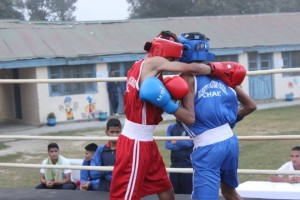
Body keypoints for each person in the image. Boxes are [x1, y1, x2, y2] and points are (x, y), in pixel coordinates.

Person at [110, 30, 242, 200]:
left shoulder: (140, 66)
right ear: (167, 51)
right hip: (135, 142)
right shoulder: (155, 62)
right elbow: (192, 68)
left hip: (147, 142)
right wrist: (217, 68)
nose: (174, 62)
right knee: (124, 195)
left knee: (164, 186)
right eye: (173, 58)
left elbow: (147, 99)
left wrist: (167, 96)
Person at [175, 32, 257, 200]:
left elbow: (189, 117)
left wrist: (166, 104)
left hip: (208, 148)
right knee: (229, 192)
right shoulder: (221, 74)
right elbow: (251, 106)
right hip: (230, 142)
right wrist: (226, 124)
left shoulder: (187, 78)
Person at [89, 117, 121, 191]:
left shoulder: (126, 149)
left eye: (117, 132)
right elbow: (93, 173)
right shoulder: (101, 149)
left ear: (121, 132)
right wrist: (109, 168)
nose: (114, 135)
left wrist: (104, 171)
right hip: (104, 186)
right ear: (106, 132)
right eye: (112, 132)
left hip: (120, 186)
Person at [165, 121, 193, 194]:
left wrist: (176, 141)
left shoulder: (191, 127)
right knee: (175, 192)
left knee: (188, 192)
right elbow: (167, 145)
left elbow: (190, 143)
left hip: (188, 164)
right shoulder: (171, 127)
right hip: (175, 164)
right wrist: (182, 143)